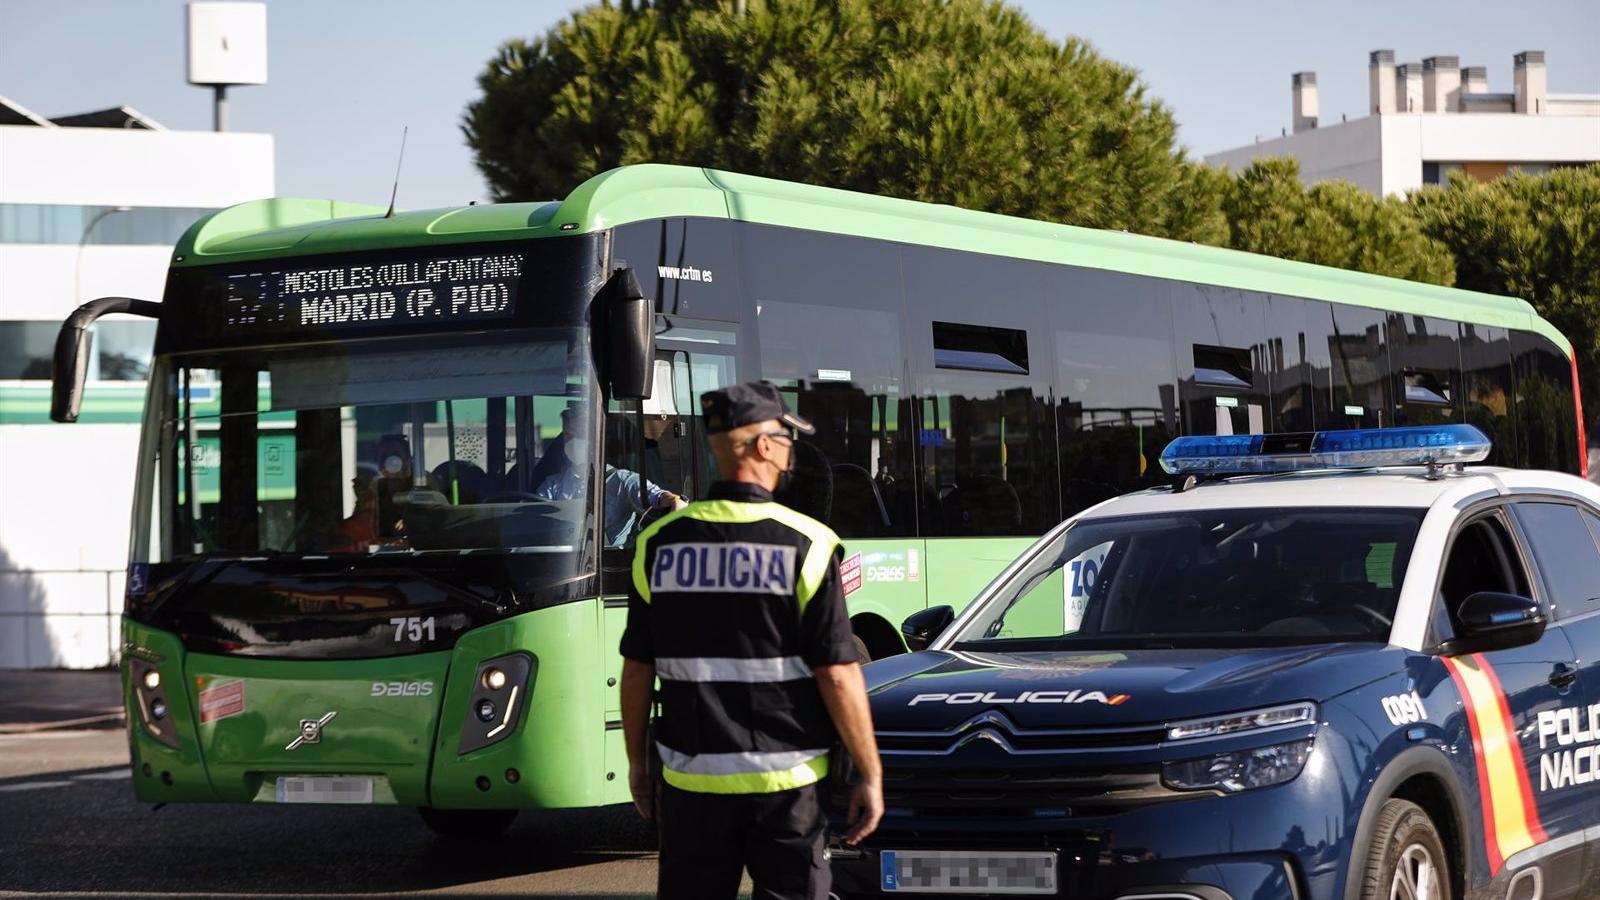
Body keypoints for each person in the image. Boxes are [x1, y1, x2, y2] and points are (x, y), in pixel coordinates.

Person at [619, 381, 883, 900]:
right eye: (786, 438)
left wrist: (636, 764)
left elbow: (636, 670)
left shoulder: (657, 544)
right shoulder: (807, 545)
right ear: (763, 446)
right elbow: (837, 672)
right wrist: (869, 771)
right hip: (786, 790)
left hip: (692, 789)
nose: (790, 451)